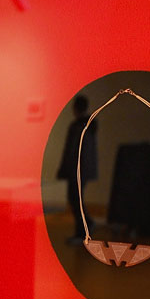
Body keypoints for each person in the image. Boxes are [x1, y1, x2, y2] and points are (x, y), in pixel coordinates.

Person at [57, 95, 98, 243]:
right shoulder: (88, 125)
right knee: (76, 199)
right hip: (82, 169)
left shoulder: (78, 126)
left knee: (75, 199)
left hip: (77, 169)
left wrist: (64, 169)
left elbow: (71, 151)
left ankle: (82, 232)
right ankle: (85, 228)